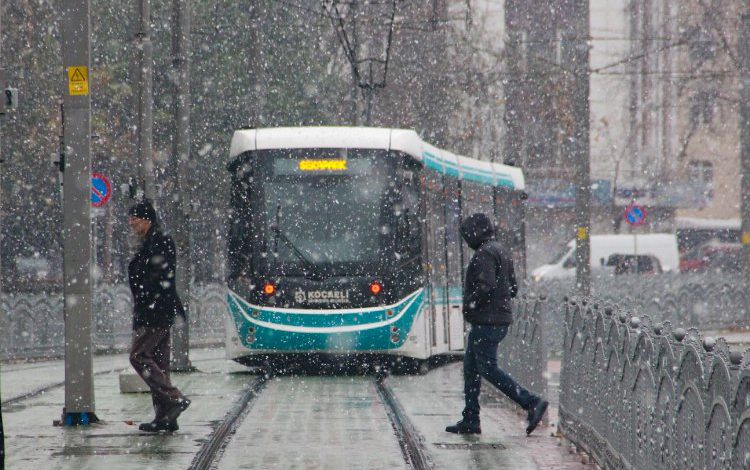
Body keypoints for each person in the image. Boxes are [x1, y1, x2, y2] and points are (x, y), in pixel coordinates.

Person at [446, 213, 548, 436]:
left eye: (466, 235)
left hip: (487, 321)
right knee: (471, 368)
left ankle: (531, 402)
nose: (466, 240)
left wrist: (471, 305)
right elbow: (512, 288)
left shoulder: (484, 254)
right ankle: (471, 418)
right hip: (496, 319)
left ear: (474, 233)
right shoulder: (500, 250)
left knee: (487, 369)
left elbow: (486, 285)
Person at [128, 199, 190, 433]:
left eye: (135, 218)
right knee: (159, 364)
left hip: (155, 312)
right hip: (157, 310)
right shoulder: (150, 242)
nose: (132, 223)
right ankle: (166, 417)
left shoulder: (159, 242)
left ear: (148, 219)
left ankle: (174, 399)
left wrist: (147, 299)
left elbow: (160, 277)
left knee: (139, 356)